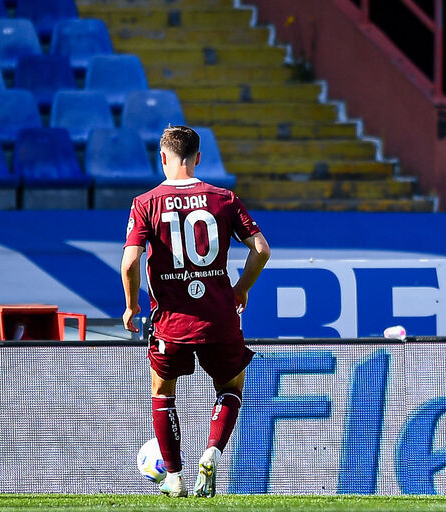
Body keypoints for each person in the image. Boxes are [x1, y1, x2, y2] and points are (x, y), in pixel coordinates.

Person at [121, 125, 271, 498]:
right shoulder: (224, 199)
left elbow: (130, 262)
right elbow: (262, 250)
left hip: (171, 322)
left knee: (162, 391)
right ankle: (212, 451)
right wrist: (241, 288)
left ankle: (174, 476)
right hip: (219, 317)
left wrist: (131, 305)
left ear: (162, 157)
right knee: (231, 387)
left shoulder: (146, 203)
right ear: (199, 158)